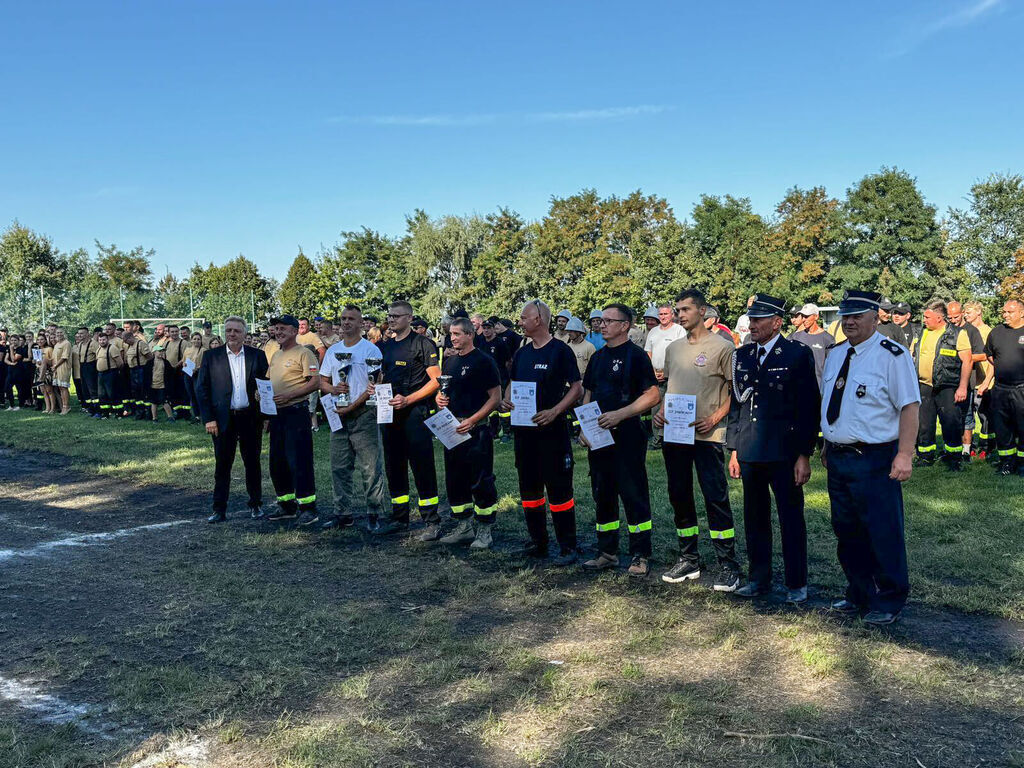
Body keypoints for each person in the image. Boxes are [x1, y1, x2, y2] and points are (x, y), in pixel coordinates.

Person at [821, 291, 920, 626]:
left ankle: (889, 598)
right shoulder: (835, 355)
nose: (848, 322)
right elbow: (833, 403)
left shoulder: (892, 355)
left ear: (875, 317)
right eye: (845, 316)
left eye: (857, 316)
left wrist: (904, 454)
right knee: (846, 530)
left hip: (875, 457)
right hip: (838, 457)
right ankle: (859, 592)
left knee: (881, 529)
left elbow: (909, 406)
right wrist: (826, 444)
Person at [727, 294, 820, 603]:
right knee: (755, 519)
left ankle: (796, 582)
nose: (751, 325)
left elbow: (808, 407)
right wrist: (734, 450)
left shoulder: (795, 354)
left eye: (758, 320)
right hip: (751, 448)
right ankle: (759, 579)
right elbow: (737, 406)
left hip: (784, 451)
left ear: (776, 322)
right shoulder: (742, 355)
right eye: (750, 319)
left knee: (791, 519)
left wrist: (804, 454)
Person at [655, 289, 741, 591]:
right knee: (679, 494)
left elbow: (736, 395)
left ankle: (727, 564)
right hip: (675, 434)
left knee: (715, 497)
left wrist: (715, 418)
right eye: (677, 310)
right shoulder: (674, 348)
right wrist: (662, 411)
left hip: (708, 436)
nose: (680, 314)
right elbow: (671, 386)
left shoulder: (723, 347)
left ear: (702, 311)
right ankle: (689, 558)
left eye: (686, 309)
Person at [580, 304, 661, 577]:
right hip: (599, 436)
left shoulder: (636, 356)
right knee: (602, 492)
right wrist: (585, 427)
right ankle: (607, 552)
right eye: (600, 321)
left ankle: (640, 554)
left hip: (627, 435)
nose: (601, 325)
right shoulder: (598, 357)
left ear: (625, 325)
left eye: (608, 321)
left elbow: (652, 395)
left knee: (633, 493)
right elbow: (588, 393)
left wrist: (621, 415)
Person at [501, 299, 582, 566]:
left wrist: (555, 411)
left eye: (524, 318)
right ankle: (538, 541)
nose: (520, 322)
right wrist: (507, 398)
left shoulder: (561, 351)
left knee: (558, 490)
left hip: (552, 432)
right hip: (525, 435)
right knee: (529, 489)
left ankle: (567, 545)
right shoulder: (522, 353)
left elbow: (576, 388)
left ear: (539, 320)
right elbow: (513, 383)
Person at [372, 300, 443, 539]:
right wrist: (376, 388)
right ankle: (399, 516)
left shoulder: (423, 344)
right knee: (394, 465)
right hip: (389, 412)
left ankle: (431, 520)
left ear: (409, 318)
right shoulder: (385, 347)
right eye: (389, 316)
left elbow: (436, 381)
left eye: (396, 316)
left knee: (422, 465)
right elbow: (381, 375)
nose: (391, 320)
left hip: (415, 413)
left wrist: (409, 399)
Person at [435, 317, 502, 549]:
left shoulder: (484, 361)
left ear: (470, 334)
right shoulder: (450, 362)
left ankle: (484, 529)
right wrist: (439, 399)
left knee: (480, 480)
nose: (452, 338)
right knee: (455, 479)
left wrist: (473, 420)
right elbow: (444, 393)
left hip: (477, 430)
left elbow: (496, 398)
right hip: (452, 430)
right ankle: (463, 527)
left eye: (456, 334)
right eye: (451, 334)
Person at [318, 304, 387, 531]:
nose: (346, 322)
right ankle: (343, 513)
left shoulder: (370, 351)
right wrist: (333, 390)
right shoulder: (333, 350)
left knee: (370, 467)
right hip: (339, 415)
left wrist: (351, 407)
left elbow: (373, 387)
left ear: (360, 324)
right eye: (343, 318)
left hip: (364, 414)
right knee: (339, 467)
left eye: (351, 319)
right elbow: (322, 381)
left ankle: (374, 513)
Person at [196, 316, 270, 523]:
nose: (232, 334)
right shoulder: (211, 356)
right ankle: (219, 509)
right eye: (229, 330)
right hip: (222, 420)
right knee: (222, 466)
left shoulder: (258, 355)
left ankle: (256, 504)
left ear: (245, 334)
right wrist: (209, 419)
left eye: (237, 331)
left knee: (252, 463)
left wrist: (266, 416)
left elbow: (265, 387)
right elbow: (202, 389)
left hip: (250, 418)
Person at [262, 315, 321, 524]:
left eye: (282, 328)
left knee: (299, 460)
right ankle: (286, 504)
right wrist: (261, 394)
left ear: (295, 330)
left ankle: (308, 507)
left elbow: (315, 382)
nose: (278, 332)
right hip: (277, 415)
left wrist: (290, 395)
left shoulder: (304, 353)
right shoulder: (276, 355)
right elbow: (269, 381)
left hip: (296, 412)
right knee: (277, 461)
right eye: (276, 328)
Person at [912, 300, 972, 471]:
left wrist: (962, 387)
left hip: (948, 386)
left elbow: (967, 361)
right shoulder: (921, 333)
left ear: (939, 318)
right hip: (924, 385)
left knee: (950, 422)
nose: (924, 319)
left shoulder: (957, 333)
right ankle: (925, 456)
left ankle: (954, 459)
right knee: (924, 423)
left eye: (927, 317)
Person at [980, 300, 1024, 476]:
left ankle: (1022, 464)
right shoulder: (996, 332)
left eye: (1010, 312)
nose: (1005, 315)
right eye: (1004, 312)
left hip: (1022, 389)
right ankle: (1006, 463)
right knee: (1002, 428)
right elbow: (990, 356)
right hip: (1000, 389)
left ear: (1021, 313)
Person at [947, 300, 988, 460]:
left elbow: (983, 355)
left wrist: (964, 357)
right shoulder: (947, 329)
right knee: (950, 416)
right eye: (949, 317)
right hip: (949, 379)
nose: (953, 320)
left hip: (967, 380)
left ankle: (966, 450)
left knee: (967, 416)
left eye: (956, 316)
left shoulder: (972, 331)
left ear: (962, 313)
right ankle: (952, 448)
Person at [644, 303, 686, 449]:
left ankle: (671, 438)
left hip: (673, 375)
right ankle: (656, 441)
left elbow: (682, 353)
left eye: (665, 314)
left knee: (672, 407)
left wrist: (667, 372)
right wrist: (652, 373)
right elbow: (648, 353)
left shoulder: (679, 330)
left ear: (672, 315)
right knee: (655, 408)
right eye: (660, 314)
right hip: (655, 374)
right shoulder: (653, 332)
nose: (663, 317)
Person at [964, 300, 995, 458]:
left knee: (985, 417)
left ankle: (987, 447)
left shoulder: (988, 331)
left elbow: (993, 359)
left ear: (978, 312)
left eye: (969, 312)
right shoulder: (965, 330)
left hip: (984, 383)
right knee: (968, 418)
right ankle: (971, 447)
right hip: (969, 382)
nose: (966, 315)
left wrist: (986, 382)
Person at [478, 318, 512, 442]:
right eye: (484, 328)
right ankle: (493, 431)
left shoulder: (500, 343)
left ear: (493, 329)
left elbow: (508, 362)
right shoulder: (480, 343)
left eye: (488, 328)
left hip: (500, 379)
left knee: (502, 407)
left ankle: (507, 432)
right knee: (489, 407)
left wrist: (507, 377)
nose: (486, 330)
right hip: (485, 380)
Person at [788, 303, 836, 387]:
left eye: (807, 316)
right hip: (797, 387)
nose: (804, 320)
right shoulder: (795, 337)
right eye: (802, 316)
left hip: (819, 387)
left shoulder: (827, 339)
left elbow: (832, 367)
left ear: (816, 317)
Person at [296, 317, 326, 431]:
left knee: (311, 398)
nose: (301, 326)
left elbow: (322, 351)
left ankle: (314, 425)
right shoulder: (295, 337)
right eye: (299, 324)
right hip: (299, 374)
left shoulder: (313, 336)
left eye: (304, 324)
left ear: (308, 326)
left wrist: (318, 367)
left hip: (311, 372)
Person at [123, 331, 152, 420]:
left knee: (144, 391)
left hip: (141, 369)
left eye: (125, 340)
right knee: (136, 392)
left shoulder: (140, 344)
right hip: (133, 370)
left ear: (130, 338)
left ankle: (148, 412)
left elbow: (150, 357)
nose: (125, 342)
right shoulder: (129, 346)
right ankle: (140, 412)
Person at [95, 332, 123, 419]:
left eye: (103, 339)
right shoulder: (98, 349)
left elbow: (120, 363)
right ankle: (105, 413)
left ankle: (118, 413)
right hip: (101, 374)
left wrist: (115, 372)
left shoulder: (112, 348)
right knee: (101, 394)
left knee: (113, 394)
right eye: (100, 340)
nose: (102, 341)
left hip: (110, 373)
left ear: (107, 340)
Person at [183, 333, 205, 422]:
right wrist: (184, 364)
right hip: (188, 374)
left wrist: (197, 368)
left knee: (198, 394)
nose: (196, 341)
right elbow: (184, 360)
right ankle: (196, 415)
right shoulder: (187, 350)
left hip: (198, 374)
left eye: (198, 339)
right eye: (195, 339)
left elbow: (205, 363)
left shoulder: (204, 350)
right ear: (191, 340)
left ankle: (203, 414)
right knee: (191, 394)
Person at [50, 328, 72, 415]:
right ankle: (64, 406)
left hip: (63, 367)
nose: (59, 334)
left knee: (63, 387)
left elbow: (64, 357)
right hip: (56, 368)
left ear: (64, 333)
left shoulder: (66, 343)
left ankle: (66, 407)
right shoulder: (56, 344)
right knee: (60, 388)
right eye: (57, 333)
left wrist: (55, 365)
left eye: (60, 332)